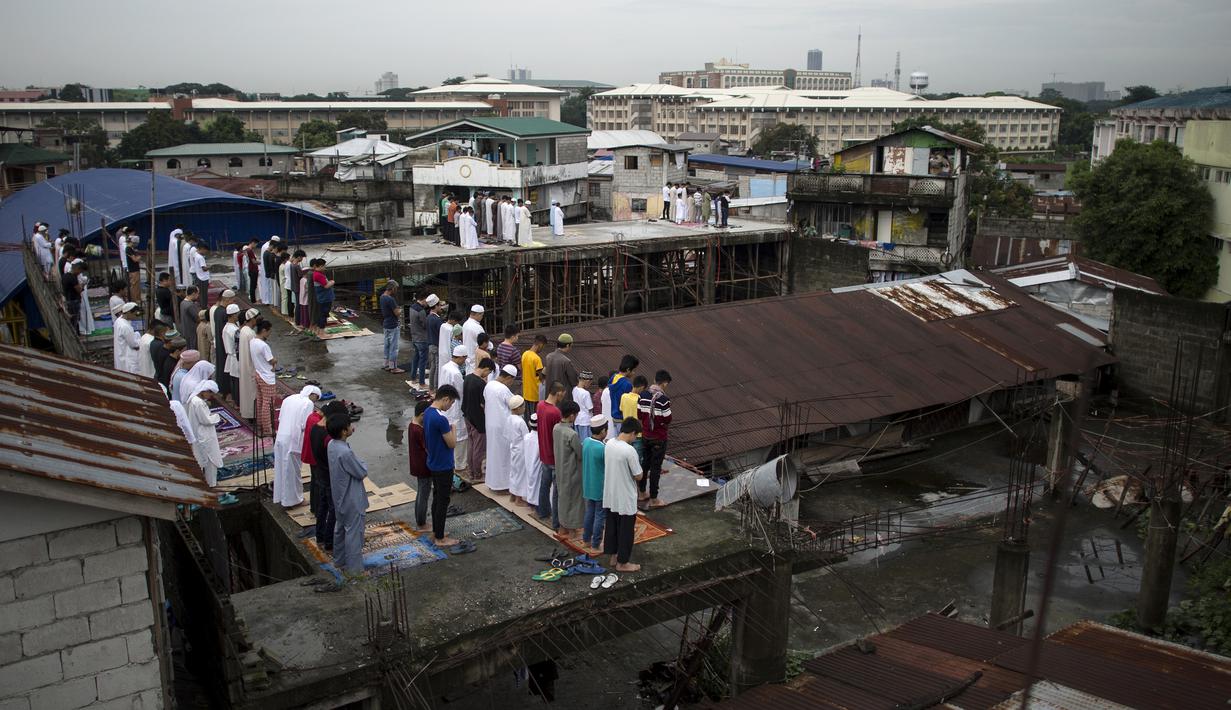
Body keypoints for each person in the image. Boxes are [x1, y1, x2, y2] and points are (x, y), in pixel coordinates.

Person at [327, 414, 368, 581]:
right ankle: (355, 570)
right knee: (354, 533)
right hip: (351, 497)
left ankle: (339, 560)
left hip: (339, 495)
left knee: (340, 528)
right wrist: (362, 463)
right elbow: (361, 471)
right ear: (344, 431)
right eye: (349, 426)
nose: (352, 427)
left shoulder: (332, 445)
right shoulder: (345, 452)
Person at [423, 385, 462, 547]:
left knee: (437, 498)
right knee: (443, 501)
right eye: (451, 403)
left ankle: (436, 531)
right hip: (443, 464)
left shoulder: (427, 413)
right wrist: (453, 428)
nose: (450, 406)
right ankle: (440, 537)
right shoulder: (441, 419)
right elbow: (452, 443)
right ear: (445, 399)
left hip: (433, 461)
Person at [604, 417, 644, 573]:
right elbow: (638, 475)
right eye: (636, 436)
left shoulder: (609, 444)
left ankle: (613, 556)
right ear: (633, 433)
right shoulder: (629, 450)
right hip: (625, 495)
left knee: (612, 526)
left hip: (611, 493)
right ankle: (623, 562)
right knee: (626, 530)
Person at [307, 401, 345, 551]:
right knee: (333, 509)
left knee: (322, 506)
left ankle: (320, 535)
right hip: (329, 475)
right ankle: (329, 541)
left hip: (319, 472)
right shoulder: (328, 437)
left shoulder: (315, 428)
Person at [274, 384, 320, 508]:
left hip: (281, 436)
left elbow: (280, 417)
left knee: (281, 469)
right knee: (292, 472)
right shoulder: (308, 403)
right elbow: (304, 424)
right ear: (313, 395)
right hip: (293, 440)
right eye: (317, 398)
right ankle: (294, 500)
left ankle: (283, 497)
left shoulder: (289, 399)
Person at [638, 369, 673, 509]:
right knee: (655, 468)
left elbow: (640, 414)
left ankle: (641, 493)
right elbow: (668, 419)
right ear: (664, 383)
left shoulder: (643, 395)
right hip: (659, 437)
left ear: (654, 380)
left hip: (645, 435)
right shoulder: (664, 400)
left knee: (645, 464)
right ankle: (653, 499)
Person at [535, 382, 566, 527]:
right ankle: (556, 521)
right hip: (554, 455)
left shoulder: (540, 405)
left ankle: (542, 511)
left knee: (544, 484)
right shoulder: (555, 413)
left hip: (544, 452)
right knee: (557, 491)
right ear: (559, 393)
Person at [484, 364, 517, 493]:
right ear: (508, 377)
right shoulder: (503, 389)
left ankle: (493, 483)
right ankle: (502, 485)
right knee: (503, 456)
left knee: (493, 455)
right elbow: (514, 404)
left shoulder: (489, 385)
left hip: (491, 424)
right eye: (512, 380)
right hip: (502, 427)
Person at [554, 400, 584, 540]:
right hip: (572, 472)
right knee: (574, 501)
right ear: (572, 416)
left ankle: (562, 527)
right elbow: (580, 454)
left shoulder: (556, 428)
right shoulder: (572, 434)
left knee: (563, 499)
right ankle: (572, 530)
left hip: (560, 470)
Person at [187, 381, 224, 487]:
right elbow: (206, 420)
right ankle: (211, 485)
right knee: (210, 460)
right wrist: (217, 417)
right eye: (210, 393)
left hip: (199, 433)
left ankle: (205, 484)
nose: (210, 396)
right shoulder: (198, 403)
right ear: (205, 391)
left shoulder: (195, 400)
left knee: (202, 458)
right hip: (204, 435)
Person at [581, 415, 609, 553]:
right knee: (600, 516)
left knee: (589, 512)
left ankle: (586, 540)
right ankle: (596, 545)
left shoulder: (586, 441)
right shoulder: (603, 448)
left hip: (588, 485)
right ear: (603, 431)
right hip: (600, 488)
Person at [440, 345, 469, 474]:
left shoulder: (445, 367)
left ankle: (452, 461)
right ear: (461, 357)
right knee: (460, 436)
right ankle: (460, 464)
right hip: (455, 406)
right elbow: (461, 392)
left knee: (447, 433)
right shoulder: (456, 373)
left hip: (444, 405)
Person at [463, 358, 493, 478]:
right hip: (477, 419)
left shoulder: (467, 377)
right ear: (486, 369)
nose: (487, 375)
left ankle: (470, 471)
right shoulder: (481, 384)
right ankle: (477, 473)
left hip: (467, 415)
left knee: (471, 444)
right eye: (489, 372)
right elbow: (483, 404)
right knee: (479, 447)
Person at [407, 401, 433, 532]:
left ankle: (419, 519)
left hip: (416, 464)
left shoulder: (412, 425)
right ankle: (421, 522)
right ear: (422, 415)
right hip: (423, 466)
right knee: (424, 493)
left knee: (420, 492)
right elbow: (428, 448)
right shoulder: (419, 430)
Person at [250, 320, 277, 436]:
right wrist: (276, 360)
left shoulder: (252, 341)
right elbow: (271, 360)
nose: (270, 334)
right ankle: (268, 428)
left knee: (261, 400)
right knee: (268, 403)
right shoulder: (263, 345)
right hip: (267, 376)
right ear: (264, 330)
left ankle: (261, 423)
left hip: (258, 373)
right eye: (269, 331)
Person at [211, 289, 236, 401]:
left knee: (221, 366)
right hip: (225, 344)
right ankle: (227, 391)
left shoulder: (217, 311)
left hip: (221, 343)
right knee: (226, 369)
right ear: (228, 300)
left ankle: (223, 390)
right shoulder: (223, 312)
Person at [506, 396, 531, 506]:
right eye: (523, 406)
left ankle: (513, 494)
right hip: (521, 449)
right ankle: (518, 499)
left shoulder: (509, 418)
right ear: (517, 408)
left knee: (514, 472)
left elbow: (506, 434)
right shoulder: (520, 421)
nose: (524, 408)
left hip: (513, 447)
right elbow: (526, 436)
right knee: (521, 473)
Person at [407, 290, 435, 385]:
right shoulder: (421, 311)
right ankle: (422, 382)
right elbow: (425, 325)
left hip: (414, 337)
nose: (427, 304)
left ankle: (413, 378)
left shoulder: (412, 307)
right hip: (422, 338)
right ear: (423, 299)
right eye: (427, 301)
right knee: (423, 362)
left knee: (415, 358)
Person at [608, 355, 639, 437]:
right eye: (633, 370)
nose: (634, 373)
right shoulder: (627, 385)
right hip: (622, 419)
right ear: (628, 369)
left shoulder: (613, 378)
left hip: (614, 417)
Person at [237, 308, 259, 419]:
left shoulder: (243, 330)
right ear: (252, 319)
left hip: (244, 365)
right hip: (250, 366)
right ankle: (252, 415)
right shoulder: (250, 333)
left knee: (246, 391)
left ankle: (248, 413)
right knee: (252, 392)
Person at [543, 334, 578, 402]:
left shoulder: (548, 357)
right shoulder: (566, 361)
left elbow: (544, 373)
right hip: (562, 398)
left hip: (549, 395)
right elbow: (574, 381)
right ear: (568, 345)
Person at [380, 281, 405, 374]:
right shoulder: (390, 299)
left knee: (387, 345)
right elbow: (396, 313)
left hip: (386, 323)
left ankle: (386, 364)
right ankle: (393, 367)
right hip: (393, 324)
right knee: (394, 347)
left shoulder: (382, 297)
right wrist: (400, 310)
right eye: (396, 289)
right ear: (393, 288)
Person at [521, 334, 547, 421]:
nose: (542, 349)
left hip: (526, 392)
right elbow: (541, 377)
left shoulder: (524, 354)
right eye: (543, 347)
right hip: (535, 393)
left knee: (527, 417)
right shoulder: (536, 358)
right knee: (535, 418)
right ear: (540, 344)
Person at [112, 302, 141, 373]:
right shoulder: (125, 326)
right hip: (127, 357)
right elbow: (134, 344)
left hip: (121, 353)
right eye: (135, 314)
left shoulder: (118, 320)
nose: (135, 317)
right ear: (128, 313)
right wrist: (141, 340)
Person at [221, 304, 241, 403]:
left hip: (231, 356)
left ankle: (235, 399)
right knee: (237, 382)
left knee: (234, 381)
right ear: (233, 315)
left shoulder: (226, 327)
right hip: (235, 357)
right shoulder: (234, 329)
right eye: (237, 314)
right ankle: (238, 401)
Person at [436, 309, 461, 385]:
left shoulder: (443, 325)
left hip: (442, 352)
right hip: (449, 353)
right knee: (449, 374)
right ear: (453, 320)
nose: (456, 324)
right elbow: (453, 342)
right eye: (457, 322)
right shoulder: (451, 329)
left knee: (442, 372)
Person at [312, 259, 335, 334]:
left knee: (321, 314)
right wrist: (332, 282)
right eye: (324, 266)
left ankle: (319, 330)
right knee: (323, 314)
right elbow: (326, 286)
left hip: (321, 297)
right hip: (324, 298)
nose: (325, 267)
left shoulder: (316, 273)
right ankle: (322, 332)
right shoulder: (318, 275)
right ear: (321, 266)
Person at [427, 298, 445, 389]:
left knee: (432, 367)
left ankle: (431, 387)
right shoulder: (437, 320)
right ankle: (435, 387)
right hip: (436, 345)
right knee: (437, 368)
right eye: (440, 305)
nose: (441, 307)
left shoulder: (429, 317)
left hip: (430, 345)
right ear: (436, 306)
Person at [61, 260, 84, 332]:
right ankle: (74, 334)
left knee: (72, 320)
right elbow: (79, 290)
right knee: (74, 320)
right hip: (74, 301)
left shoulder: (64, 276)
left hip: (68, 299)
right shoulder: (73, 278)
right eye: (80, 271)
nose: (79, 273)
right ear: (77, 269)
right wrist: (82, 286)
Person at [462, 304, 485, 369]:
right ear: (478, 314)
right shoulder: (477, 327)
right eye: (482, 315)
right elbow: (485, 342)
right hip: (476, 360)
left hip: (467, 358)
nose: (482, 317)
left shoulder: (465, 324)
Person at [573, 370, 595, 440]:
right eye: (590, 383)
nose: (589, 385)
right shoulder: (586, 393)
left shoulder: (574, 390)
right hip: (586, 421)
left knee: (580, 441)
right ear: (587, 381)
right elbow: (590, 408)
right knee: (586, 441)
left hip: (577, 419)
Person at [189, 242, 210, 309]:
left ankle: (202, 305)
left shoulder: (196, 256)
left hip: (199, 276)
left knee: (201, 293)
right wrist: (209, 267)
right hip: (203, 278)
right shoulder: (200, 257)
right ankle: (204, 306)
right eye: (206, 251)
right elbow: (204, 268)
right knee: (204, 294)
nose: (206, 252)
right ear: (202, 249)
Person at [243, 239, 259, 304]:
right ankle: (253, 301)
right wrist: (260, 262)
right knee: (253, 285)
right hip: (253, 269)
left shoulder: (247, 250)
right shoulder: (250, 251)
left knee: (253, 285)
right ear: (253, 243)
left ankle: (253, 299)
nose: (256, 246)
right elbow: (254, 261)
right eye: (256, 244)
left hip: (251, 269)